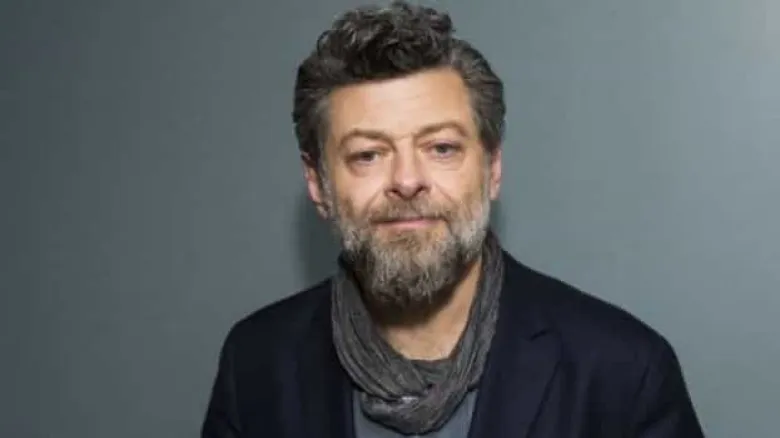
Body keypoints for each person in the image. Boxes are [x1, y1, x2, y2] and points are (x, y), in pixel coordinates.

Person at [201, 1, 705, 437]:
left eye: (441, 147)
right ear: (318, 183)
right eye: (368, 154)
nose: (407, 181)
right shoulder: (256, 365)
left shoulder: (623, 372)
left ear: (492, 168)